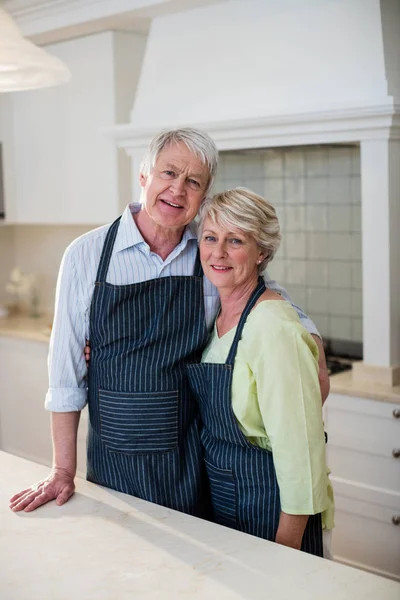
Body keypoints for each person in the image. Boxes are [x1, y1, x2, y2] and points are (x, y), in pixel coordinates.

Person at [9, 128, 329, 516]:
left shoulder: (210, 249)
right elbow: (64, 375)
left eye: (193, 181)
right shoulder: (86, 255)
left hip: (190, 461)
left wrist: (309, 335)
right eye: (169, 173)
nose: (178, 190)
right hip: (113, 461)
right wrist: (63, 469)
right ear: (144, 176)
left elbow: (264, 293)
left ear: (204, 195)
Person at [186, 188, 334, 555]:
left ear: (261, 253)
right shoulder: (217, 315)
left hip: (274, 508)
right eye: (210, 238)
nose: (218, 252)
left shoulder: (272, 326)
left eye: (235, 240)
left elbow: (300, 449)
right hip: (228, 501)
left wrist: (288, 546)